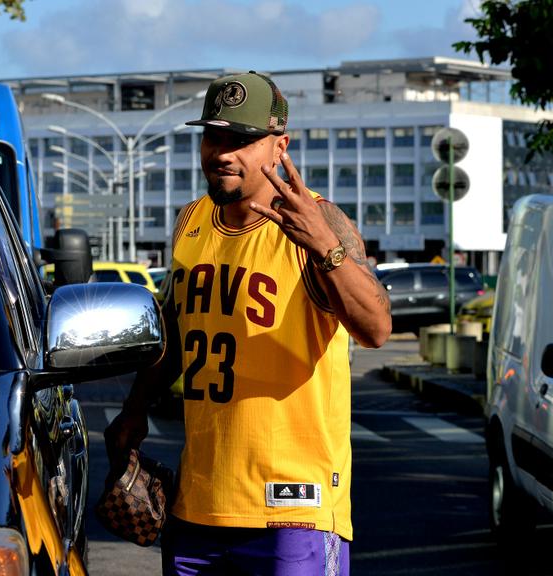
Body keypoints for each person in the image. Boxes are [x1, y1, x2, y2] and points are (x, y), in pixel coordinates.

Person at [105, 70, 392, 576]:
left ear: (280, 146)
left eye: (241, 140)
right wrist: (135, 407)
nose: (222, 152)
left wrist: (325, 246)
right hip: (198, 504)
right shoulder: (191, 221)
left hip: (295, 512)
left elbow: (376, 329)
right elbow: (175, 332)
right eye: (213, 136)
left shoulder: (321, 222)